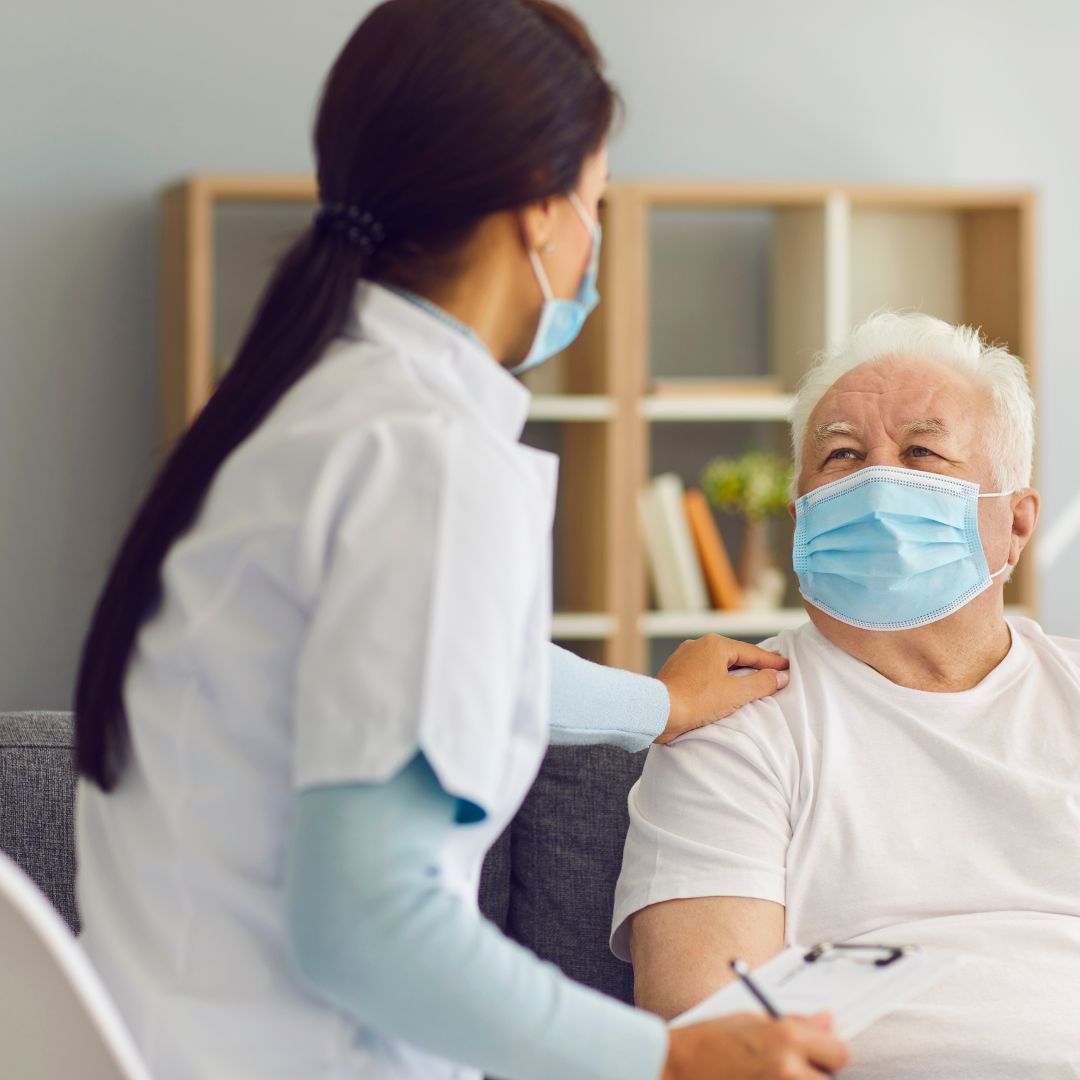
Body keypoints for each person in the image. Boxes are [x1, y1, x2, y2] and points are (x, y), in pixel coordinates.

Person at [71, 2, 850, 1078]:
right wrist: (672, 1061)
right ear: (541, 214)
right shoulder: (428, 461)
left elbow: (415, 663)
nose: (596, 240)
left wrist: (654, 708)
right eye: (598, 202)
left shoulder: (299, 415)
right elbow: (368, 930)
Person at [612, 312, 1080, 1079]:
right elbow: (706, 1038)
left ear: (1017, 523)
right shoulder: (736, 719)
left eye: (922, 451)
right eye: (841, 456)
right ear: (800, 519)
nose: (874, 481)